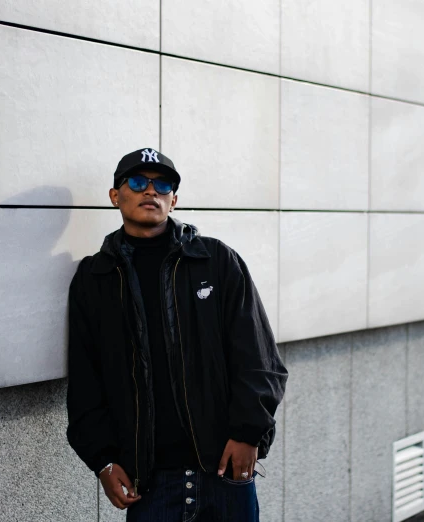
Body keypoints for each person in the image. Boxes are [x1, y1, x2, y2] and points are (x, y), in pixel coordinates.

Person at [66, 148, 288, 521]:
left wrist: (249, 434)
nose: (150, 191)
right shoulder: (95, 278)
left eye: (162, 184)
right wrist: (102, 461)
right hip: (150, 483)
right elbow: (86, 379)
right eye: (137, 182)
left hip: (225, 471)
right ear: (115, 195)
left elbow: (259, 358)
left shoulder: (216, 261)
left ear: (174, 199)